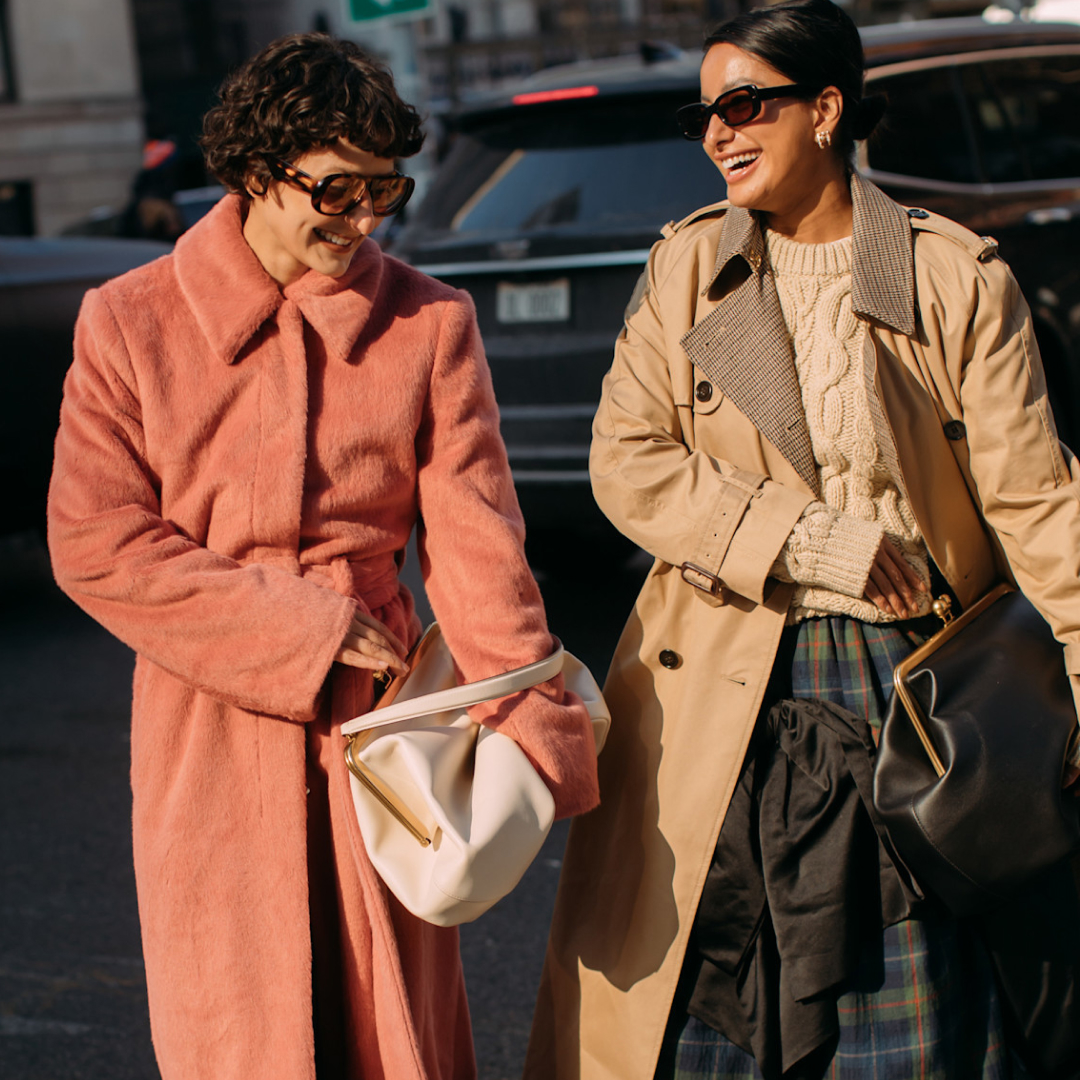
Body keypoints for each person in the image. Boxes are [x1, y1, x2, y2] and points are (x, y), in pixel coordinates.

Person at [524, 1, 1080, 1078]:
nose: (720, 134)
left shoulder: (954, 278)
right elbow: (626, 460)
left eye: (745, 104)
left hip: (912, 690)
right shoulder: (687, 270)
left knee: (911, 1018)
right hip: (725, 687)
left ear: (826, 110)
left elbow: (1038, 503)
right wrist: (811, 539)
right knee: (726, 996)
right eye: (706, 116)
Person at [47, 33, 599, 1080]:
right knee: (237, 1024)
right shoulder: (128, 323)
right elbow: (94, 541)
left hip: (383, 721)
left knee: (387, 1023)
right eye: (336, 191)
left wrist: (531, 726)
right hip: (203, 720)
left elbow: (481, 547)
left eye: (383, 191)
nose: (363, 221)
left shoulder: (430, 324)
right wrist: (295, 625)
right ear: (259, 172)